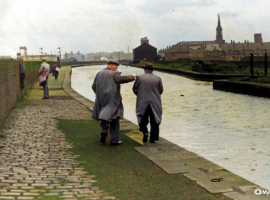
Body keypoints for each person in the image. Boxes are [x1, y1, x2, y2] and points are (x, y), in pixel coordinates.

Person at [92, 59, 137, 145]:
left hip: (101, 99)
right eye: (116, 66)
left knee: (104, 114)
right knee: (115, 118)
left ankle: (104, 131)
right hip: (113, 99)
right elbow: (121, 79)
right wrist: (133, 76)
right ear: (112, 65)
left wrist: (99, 94)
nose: (116, 68)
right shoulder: (114, 73)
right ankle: (114, 140)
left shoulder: (99, 73)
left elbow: (94, 86)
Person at [133, 63, 163, 143]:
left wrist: (140, 95)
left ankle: (144, 134)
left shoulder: (139, 78)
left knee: (142, 119)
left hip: (143, 102)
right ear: (152, 70)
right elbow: (161, 90)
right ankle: (153, 138)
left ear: (144, 69)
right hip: (155, 102)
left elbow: (135, 89)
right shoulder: (158, 78)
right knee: (154, 120)